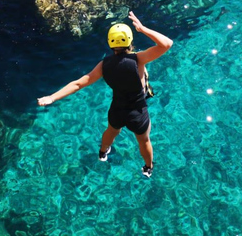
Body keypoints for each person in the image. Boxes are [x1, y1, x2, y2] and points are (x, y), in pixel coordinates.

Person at [37, 12, 172, 178]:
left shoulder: (103, 65)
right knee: (143, 140)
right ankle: (148, 167)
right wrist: (142, 29)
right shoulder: (139, 59)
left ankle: (102, 152)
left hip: (117, 110)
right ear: (130, 40)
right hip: (138, 112)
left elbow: (78, 84)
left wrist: (52, 97)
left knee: (111, 130)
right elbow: (166, 44)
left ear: (110, 42)